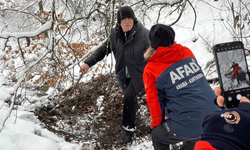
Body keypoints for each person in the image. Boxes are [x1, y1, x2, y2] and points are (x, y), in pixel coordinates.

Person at [142, 24, 220, 150]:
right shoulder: (186, 52)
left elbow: (155, 102)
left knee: (158, 136)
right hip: (215, 113)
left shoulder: (151, 69)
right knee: (193, 125)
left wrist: (156, 124)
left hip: (192, 121)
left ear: (152, 43)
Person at [79, 6, 149, 144]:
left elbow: (154, 53)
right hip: (124, 74)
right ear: (119, 21)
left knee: (129, 96)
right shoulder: (115, 35)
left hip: (140, 74)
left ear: (134, 19)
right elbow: (103, 50)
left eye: (130, 18)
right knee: (131, 97)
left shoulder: (144, 34)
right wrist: (88, 63)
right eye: (124, 19)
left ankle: (128, 130)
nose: (127, 21)